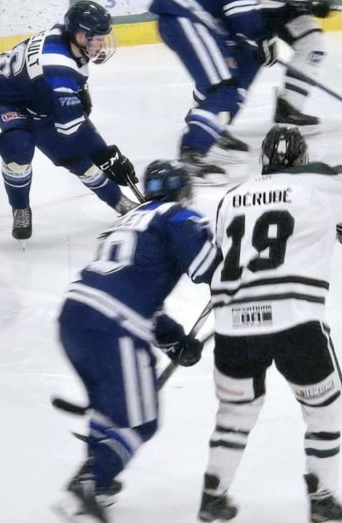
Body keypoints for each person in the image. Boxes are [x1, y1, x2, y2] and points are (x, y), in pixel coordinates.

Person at [197, 126, 342, 523]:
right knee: (324, 408)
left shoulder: (231, 197)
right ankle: (322, 498)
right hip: (294, 323)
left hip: (233, 326)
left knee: (235, 413)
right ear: (303, 160)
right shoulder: (314, 186)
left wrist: (333, 222)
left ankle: (212, 497)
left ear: (263, 161)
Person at [55, 160, 221, 522]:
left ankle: (98, 471)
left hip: (73, 317)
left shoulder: (126, 221)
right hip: (114, 326)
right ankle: (90, 485)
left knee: (110, 410)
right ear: (181, 192)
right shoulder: (176, 215)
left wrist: (173, 339)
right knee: (140, 421)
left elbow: (129, 286)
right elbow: (209, 268)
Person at [0, 0, 138, 240]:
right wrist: (107, 155)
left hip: (39, 98)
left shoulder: (67, 37)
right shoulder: (59, 69)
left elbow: (72, 117)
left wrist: (102, 156)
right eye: (97, 38)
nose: (101, 44)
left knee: (77, 159)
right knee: (18, 150)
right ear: (81, 36)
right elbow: (74, 129)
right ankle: (20, 208)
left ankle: (120, 202)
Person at [149, 0, 275, 180]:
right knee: (224, 88)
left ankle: (212, 127)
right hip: (190, 16)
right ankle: (191, 155)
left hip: (185, 12)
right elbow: (238, 5)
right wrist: (260, 35)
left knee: (238, 69)